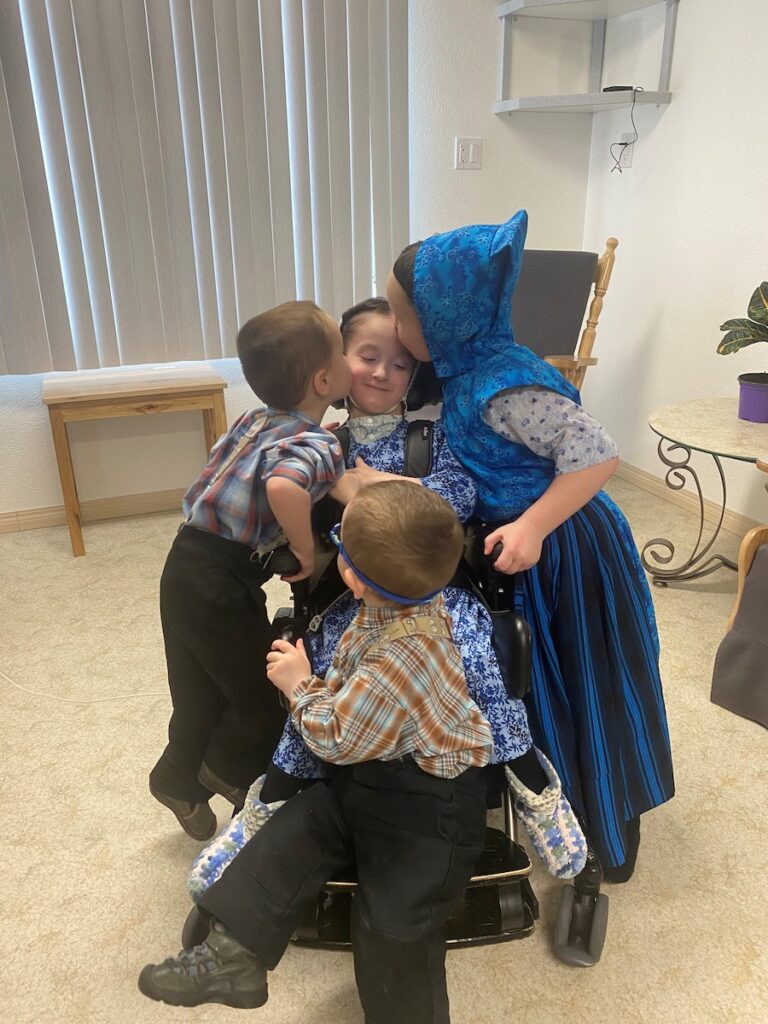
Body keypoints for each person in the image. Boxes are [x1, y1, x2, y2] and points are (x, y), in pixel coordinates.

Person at [186, 298, 585, 902]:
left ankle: (533, 788)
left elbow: (456, 501)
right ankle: (267, 807)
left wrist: (367, 485)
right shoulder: (318, 444)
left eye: (399, 364)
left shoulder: (433, 438)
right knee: (320, 673)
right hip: (349, 596)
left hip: (436, 595)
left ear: (414, 376)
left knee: (477, 660)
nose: (381, 372)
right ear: (335, 364)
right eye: (367, 357)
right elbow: (288, 520)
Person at [384, 211, 675, 881]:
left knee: (587, 669)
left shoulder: (506, 386)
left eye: (402, 318)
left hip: (567, 547)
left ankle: (609, 815)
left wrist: (535, 525)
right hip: (521, 545)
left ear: (445, 319)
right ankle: (554, 785)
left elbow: (598, 456)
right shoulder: (464, 368)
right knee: (534, 674)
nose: (396, 330)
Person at [139, 482, 494, 1023]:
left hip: (431, 811)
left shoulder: (405, 655)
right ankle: (234, 956)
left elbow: (335, 738)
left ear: (352, 575)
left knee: (393, 927)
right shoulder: (389, 610)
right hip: (368, 781)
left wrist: (299, 685)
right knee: (288, 838)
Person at [148, 300, 357, 841]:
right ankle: (225, 769)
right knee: (264, 690)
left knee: (196, 689)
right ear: (324, 379)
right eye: (343, 351)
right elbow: (284, 485)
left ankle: (175, 778)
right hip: (220, 585)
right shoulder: (315, 442)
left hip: (183, 565)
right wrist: (304, 548)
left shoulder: (255, 419)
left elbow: (263, 468)